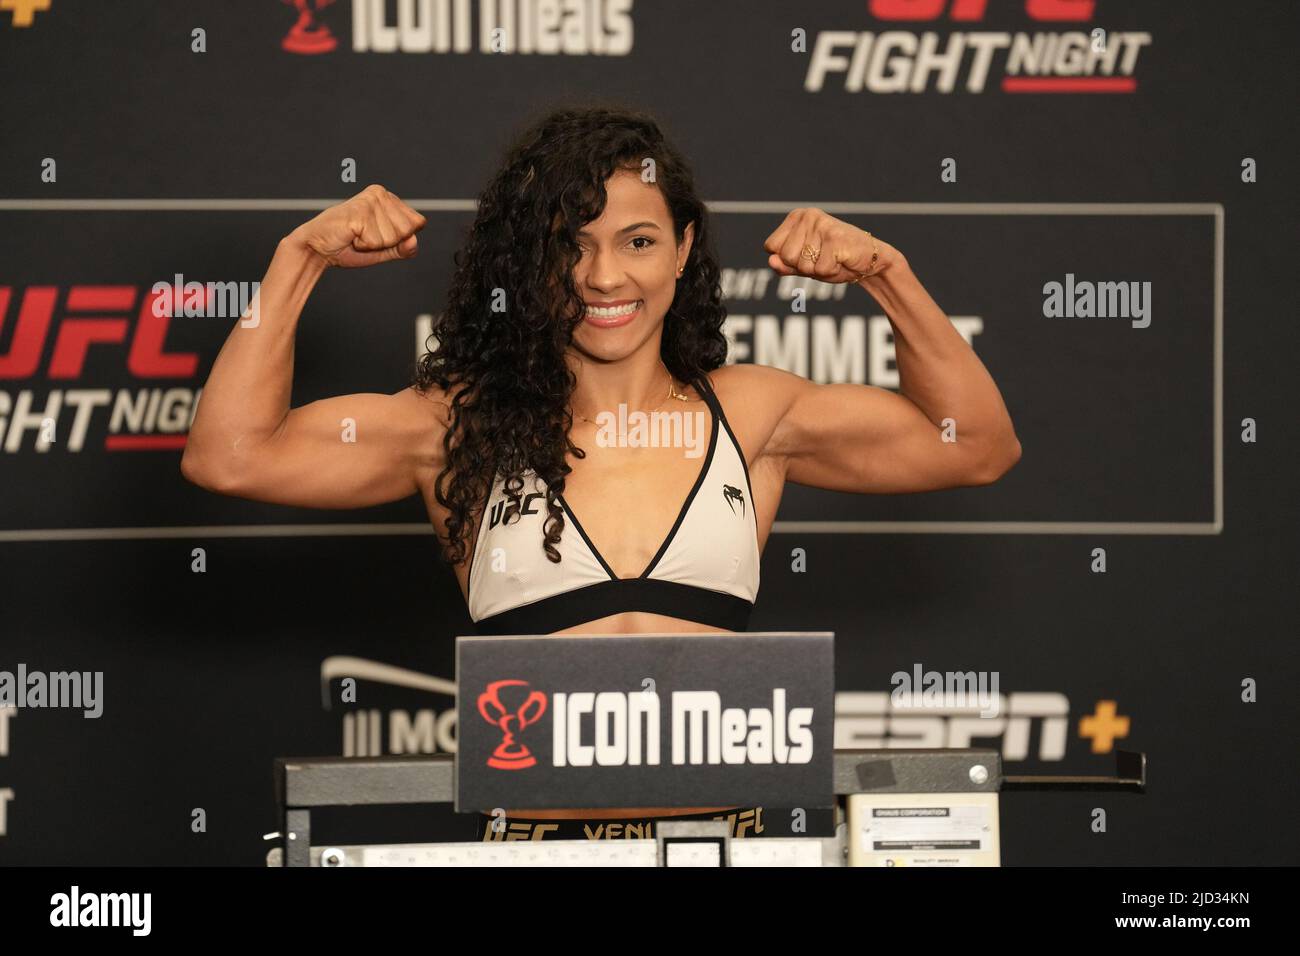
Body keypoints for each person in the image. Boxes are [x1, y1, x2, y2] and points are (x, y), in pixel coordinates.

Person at [181, 105, 1021, 843]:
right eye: (568, 246)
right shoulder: (451, 423)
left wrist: (887, 273)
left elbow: (976, 445)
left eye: (639, 241)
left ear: (685, 249)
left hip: (724, 845)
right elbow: (230, 455)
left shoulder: (753, 415)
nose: (604, 277)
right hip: (540, 852)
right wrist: (298, 260)